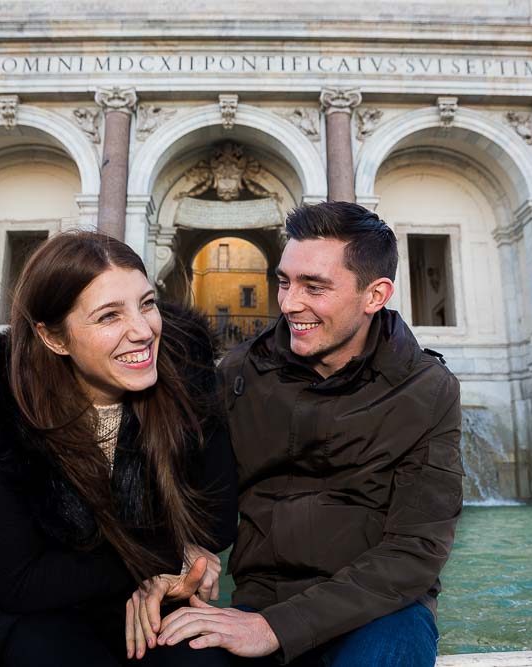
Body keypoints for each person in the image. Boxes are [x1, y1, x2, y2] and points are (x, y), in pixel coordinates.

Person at [133, 202, 463, 666]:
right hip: (258, 602)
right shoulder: (237, 372)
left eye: (315, 287)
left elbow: (416, 549)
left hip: (381, 611)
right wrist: (174, 557)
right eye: (284, 282)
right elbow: (187, 492)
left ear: (375, 295)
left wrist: (277, 628)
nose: (288, 303)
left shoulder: (429, 388)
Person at [0, 231, 237, 667]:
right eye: (109, 316)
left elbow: (219, 519)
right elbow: (20, 581)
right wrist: (164, 561)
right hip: (33, 619)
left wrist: (157, 580)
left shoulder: (189, 373)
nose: (142, 330)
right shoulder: (1, 406)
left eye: (147, 303)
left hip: (152, 606)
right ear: (55, 339)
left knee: (203, 661)